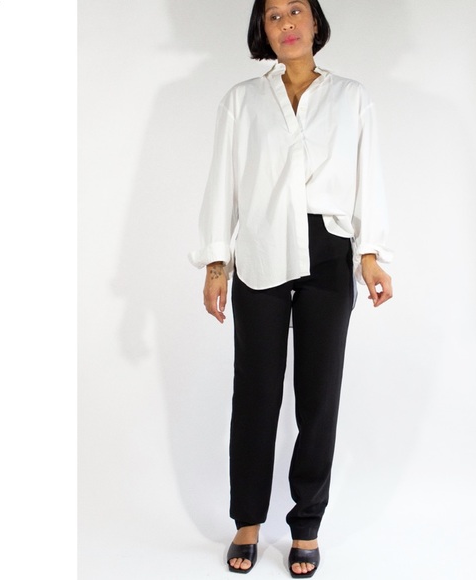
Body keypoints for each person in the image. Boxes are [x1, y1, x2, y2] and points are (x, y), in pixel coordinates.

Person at [189, 0, 393, 575]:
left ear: (315, 21)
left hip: (328, 249)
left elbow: (368, 177)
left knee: (318, 395)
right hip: (260, 248)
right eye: (273, 15)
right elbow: (223, 182)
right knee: (255, 391)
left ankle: (306, 523)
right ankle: (248, 521)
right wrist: (215, 263)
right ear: (263, 29)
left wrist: (371, 255)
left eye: (295, 10)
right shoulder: (242, 101)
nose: (286, 24)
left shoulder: (352, 97)